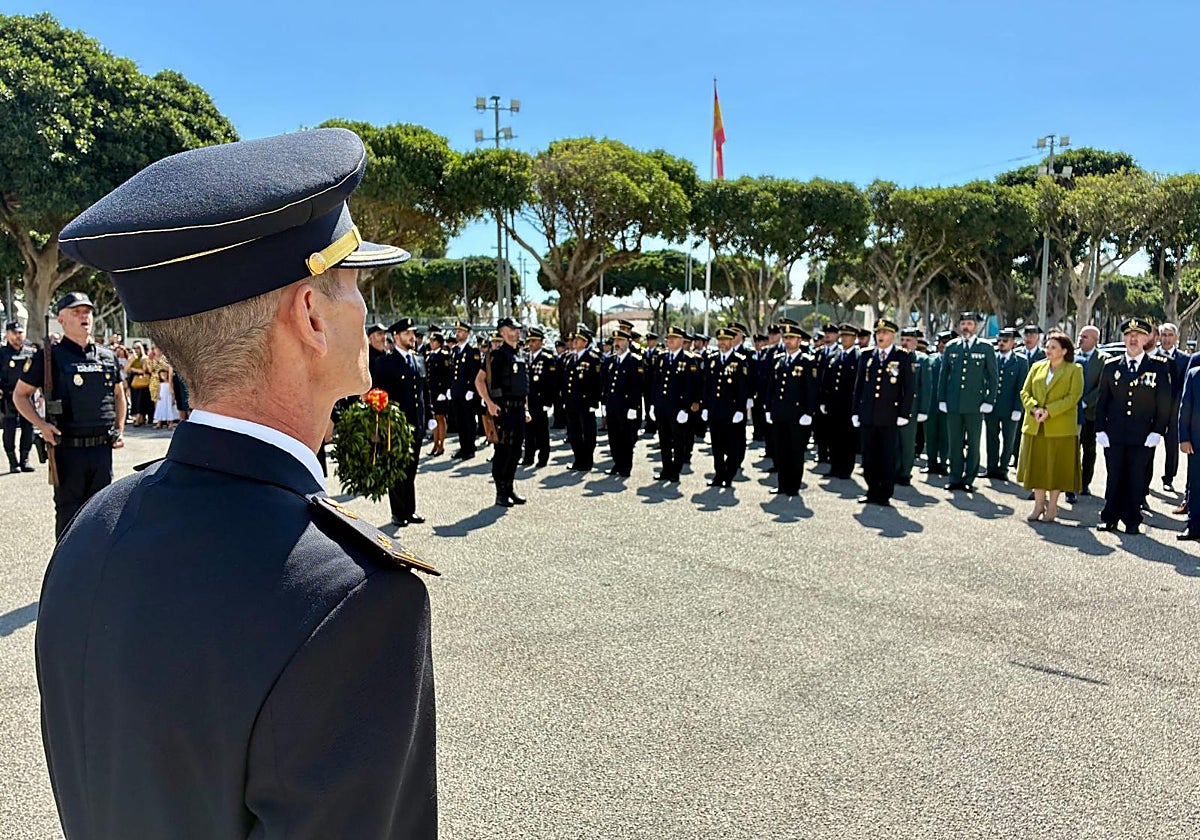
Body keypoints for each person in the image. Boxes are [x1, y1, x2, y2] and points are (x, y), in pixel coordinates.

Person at [39, 127, 437, 839]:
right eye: (353, 285)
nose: (366, 312)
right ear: (311, 317)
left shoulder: (95, 526)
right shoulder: (355, 601)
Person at [14, 293, 125, 536]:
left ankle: (97, 569)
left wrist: (119, 428)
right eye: (76, 312)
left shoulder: (107, 356)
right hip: (68, 450)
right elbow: (20, 395)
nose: (84, 316)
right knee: (69, 517)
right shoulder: (48, 357)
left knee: (101, 513)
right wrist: (41, 425)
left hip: (101, 449)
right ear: (61, 319)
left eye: (87, 311)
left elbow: (119, 395)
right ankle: (67, 571)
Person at [1095, 317, 1172, 535]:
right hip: (1115, 434)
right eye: (1129, 335)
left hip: (1143, 435)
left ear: (1147, 339)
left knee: (1136, 477)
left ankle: (1132, 520)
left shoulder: (1157, 367)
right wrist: (1100, 429)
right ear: (1124, 338)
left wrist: (1158, 431)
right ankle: (1109, 517)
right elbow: (1103, 401)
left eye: (1138, 336)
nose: (1133, 339)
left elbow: (1164, 403)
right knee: (1114, 476)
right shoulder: (1111, 366)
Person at [1017, 331, 1083, 522]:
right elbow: (1025, 392)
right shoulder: (1037, 367)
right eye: (1047, 346)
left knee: (1056, 468)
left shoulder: (1074, 369)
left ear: (1064, 351)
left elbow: (1073, 397)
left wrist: (1049, 411)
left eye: (1053, 347)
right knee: (1037, 466)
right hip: (1036, 425)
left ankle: (1053, 506)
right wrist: (1034, 409)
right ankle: (1038, 505)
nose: (1048, 350)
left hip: (1060, 427)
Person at [852, 318, 914, 507]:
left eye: (885, 333)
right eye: (878, 333)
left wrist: (904, 413)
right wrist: (855, 411)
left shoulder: (902, 357)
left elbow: (908, 388)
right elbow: (859, 386)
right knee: (869, 456)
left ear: (893, 335)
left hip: (889, 415)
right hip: (868, 415)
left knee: (887, 456)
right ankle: (871, 490)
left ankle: (885, 493)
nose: (881, 336)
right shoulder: (866, 355)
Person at [374, 318, 429, 527]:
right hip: (396, 427)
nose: (412, 337)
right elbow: (379, 396)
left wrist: (429, 417)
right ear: (396, 336)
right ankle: (398, 512)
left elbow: (425, 392)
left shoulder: (419, 359)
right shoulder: (385, 363)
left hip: (416, 424)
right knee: (398, 469)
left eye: (413, 333)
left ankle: (410, 510)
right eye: (407, 333)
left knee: (412, 468)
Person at [937, 312, 998, 492]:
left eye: (970, 323)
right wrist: (942, 399)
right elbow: (944, 375)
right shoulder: (951, 347)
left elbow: (993, 377)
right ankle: (955, 477)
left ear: (976, 326)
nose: (966, 327)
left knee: (973, 443)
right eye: (963, 323)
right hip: (954, 403)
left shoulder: (985, 348)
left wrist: (989, 399)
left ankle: (969, 479)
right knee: (954, 442)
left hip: (974, 404)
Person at [479, 316, 530, 505]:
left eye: (517, 329)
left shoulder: (520, 354)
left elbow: (523, 386)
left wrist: (525, 408)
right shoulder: (497, 356)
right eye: (512, 329)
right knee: (503, 451)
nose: (516, 332)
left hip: (518, 411)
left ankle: (509, 487)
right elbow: (479, 380)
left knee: (516, 451)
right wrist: (489, 404)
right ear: (502, 332)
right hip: (503, 411)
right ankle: (500, 491)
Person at [767, 324, 818, 497]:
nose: (788, 341)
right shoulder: (778, 359)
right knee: (781, 451)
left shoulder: (807, 362)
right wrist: (769, 408)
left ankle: (793, 486)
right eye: (786, 338)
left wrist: (809, 412)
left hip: (798, 415)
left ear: (799, 340)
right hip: (780, 413)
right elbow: (772, 387)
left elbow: (812, 390)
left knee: (795, 452)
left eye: (791, 338)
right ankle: (782, 484)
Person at [650, 325, 701, 483]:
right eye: (668, 338)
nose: (670, 341)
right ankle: (666, 469)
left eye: (674, 338)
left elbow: (692, 385)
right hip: (662, 407)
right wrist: (652, 404)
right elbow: (656, 383)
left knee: (678, 440)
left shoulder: (688, 359)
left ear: (681, 341)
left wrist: (686, 408)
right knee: (664, 440)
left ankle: (675, 470)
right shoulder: (662, 358)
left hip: (677, 408)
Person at [702, 326, 750, 488]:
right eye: (720, 340)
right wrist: (705, 407)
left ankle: (729, 474)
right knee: (717, 446)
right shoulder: (712, 359)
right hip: (715, 410)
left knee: (732, 446)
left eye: (725, 340)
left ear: (731, 341)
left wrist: (740, 410)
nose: (722, 343)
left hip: (731, 410)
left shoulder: (739, 360)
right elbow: (707, 385)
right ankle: (719, 474)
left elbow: (743, 388)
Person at [984, 327, 1029, 480]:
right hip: (993, 405)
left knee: (1008, 438)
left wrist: (1018, 407)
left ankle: (1003, 468)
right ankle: (991, 467)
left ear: (1013, 343)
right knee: (991, 438)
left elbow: (1021, 386)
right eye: (1000, 340)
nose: (1001, 343)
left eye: (1005, 341)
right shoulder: (992, 358)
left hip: (1010, 407)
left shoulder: (1021, 361)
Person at [601, 328, 644, 479]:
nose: (616, 344)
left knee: (626, 438)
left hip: (626, 407)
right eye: (615, 341)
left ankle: (626, 466)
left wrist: (633, 407)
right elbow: (606, 385)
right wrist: (604, 403)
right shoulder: (610, 361)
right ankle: (617, 463)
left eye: (620, 341)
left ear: (628, 342)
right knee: (613, 438)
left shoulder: (635, 361)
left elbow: (637, 387)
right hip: (612, 405)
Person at [819, 323, 860, 479]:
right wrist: (823, 400)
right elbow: (826, 379)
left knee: (847, 439)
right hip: (833, 404)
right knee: (833, 437)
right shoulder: (834, 355)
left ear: (854, 338)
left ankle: (845, 468)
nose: (844, 339)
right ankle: (834, 466)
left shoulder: (858, 357)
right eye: (842, 336)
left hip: (848, 405)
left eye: (848, 336)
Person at [1154, 322, 1189, 493]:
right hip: (1152, 411)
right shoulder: (1152, 357)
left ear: (1175, 338)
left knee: (1172, 448)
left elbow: (1184, 389)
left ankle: (1168, 478)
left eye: (1170, 335)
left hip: (1174, 411)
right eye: (1164, 335)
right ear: (1159, 337)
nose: (1166, 339)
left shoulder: (1184, 359)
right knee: (1147, 447)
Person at [1075, 325, 1109, 497]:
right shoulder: (1072, 356)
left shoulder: (1104, 359)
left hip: (1091, 413)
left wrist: (1086, 402)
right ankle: (1071, 483)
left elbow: (1102, 386)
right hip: (1072, 412)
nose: (1081, 339)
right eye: (1080, 336)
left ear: (1095, 340)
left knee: (1088, 449)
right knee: (1073, 449)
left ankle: (1084, 483)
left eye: (1085, 337)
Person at [895, 327, 931, 487]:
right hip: (895, 406)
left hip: (912, 407)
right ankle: (894, 470)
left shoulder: (922, 359)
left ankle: (905, 473)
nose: (905, 343)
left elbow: (926, 387)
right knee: (894, 441)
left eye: (908, 340)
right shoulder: (895, 357)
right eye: (902, 340)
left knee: (908, 442)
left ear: (916, 343)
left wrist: (924, 409)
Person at [0, 321, 36, 472]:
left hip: (27, 397)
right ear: (7, 334)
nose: (17, 336)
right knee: (9, 430)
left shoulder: (30, 353)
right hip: (8, 396)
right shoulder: (1, 353)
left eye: (20, 333)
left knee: (28, 429)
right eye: (14, 333)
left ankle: (25, 459)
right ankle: (13, 461)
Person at [521, 327, 558, 467]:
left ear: (541, 342)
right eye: (529, 341)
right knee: (528, 431)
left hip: (541, 400)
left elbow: (552, 382)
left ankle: (543, 458)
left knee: (541, 431)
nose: (531, 344)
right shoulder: (525, 357)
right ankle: (528, 457)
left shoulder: (547, 359)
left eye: (534, 341)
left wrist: (548, 401)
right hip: (528, 400)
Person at [450, 320, 482, 459]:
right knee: (460, 421)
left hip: (467, 393)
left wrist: (471, 389)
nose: (458, 334)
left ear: (467, 334)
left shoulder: (472, 351)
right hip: (457, 391)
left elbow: (474, 372)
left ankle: (470, 447)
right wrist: (450, 388)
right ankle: (463, 447)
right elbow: (452, 372)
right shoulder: (455, 351)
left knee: (468, 420)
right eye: (457, 331)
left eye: (461, 331)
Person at [1176, 365, 1200, 540]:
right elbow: (1185, 408)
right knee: (1196, 485)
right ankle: (1193, 526)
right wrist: (1184, 438)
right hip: (1197, 442)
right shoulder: (1194, 374)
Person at [424, 331, 452, 456]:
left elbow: (447, 375)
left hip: (440, 392)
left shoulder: (443, 355)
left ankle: (441, 444)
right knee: (434, 418)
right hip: (432, 391)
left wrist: (444, 391)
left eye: (433, 341)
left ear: (439, 342)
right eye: (430, 341)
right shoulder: (430, 356)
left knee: (441, 417)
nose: (431, 343)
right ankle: (435, 443)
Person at [126, 341, 153, 425]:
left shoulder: (144, 358)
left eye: (138, 348)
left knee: (141, 400)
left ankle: (140, 418)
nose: (136, 350)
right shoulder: (132, 358)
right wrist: (131, 361)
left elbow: (144, 370)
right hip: (133, 381)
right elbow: (126, 369)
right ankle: (139, 417)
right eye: (134, 348)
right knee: (135, 399)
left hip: (142, 381)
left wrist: (133, 369)